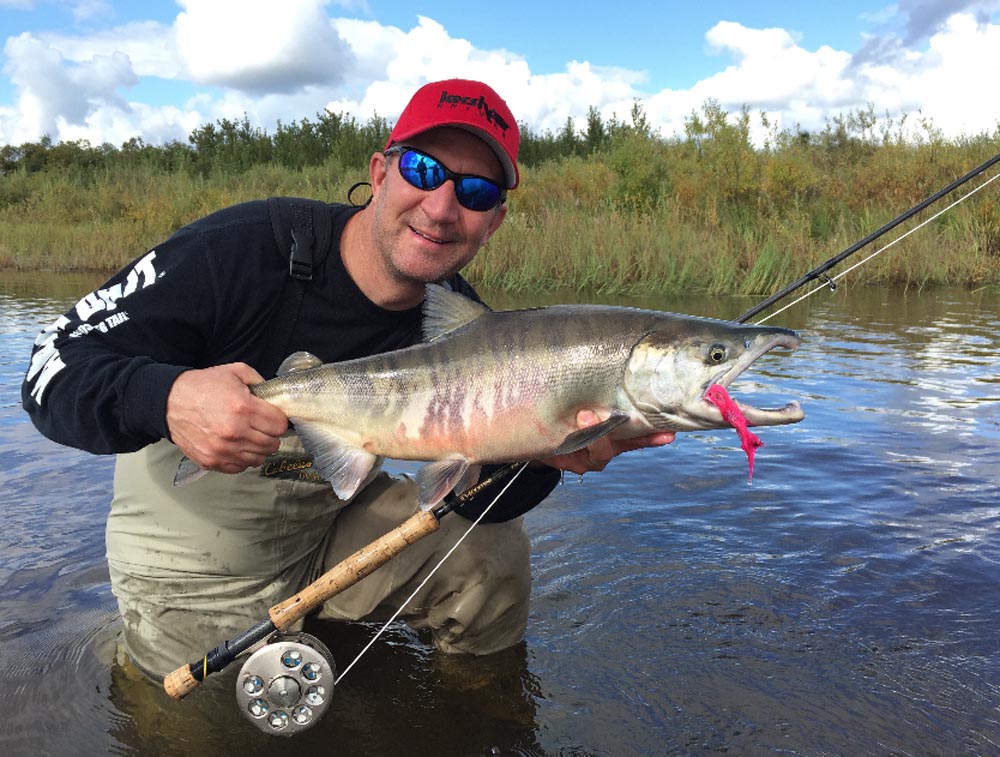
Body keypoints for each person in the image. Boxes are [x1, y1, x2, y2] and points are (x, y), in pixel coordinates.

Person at [21, 78, 675, 681]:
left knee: (492, 561)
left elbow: (480, 504)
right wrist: (164, 398)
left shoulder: (462, 323)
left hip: (328, 526)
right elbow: (50, 368)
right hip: (192, 557)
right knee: (205, 726)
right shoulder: (239, 254)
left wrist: (550, 446)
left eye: (476, 192)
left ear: (494, 219)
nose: (443, 207)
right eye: (424, 170)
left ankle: (481, 717)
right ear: (380, 172)